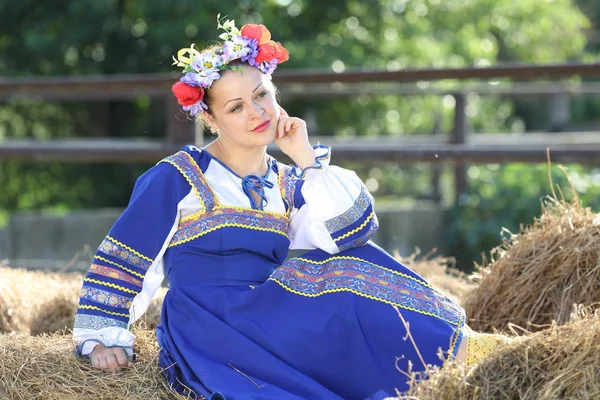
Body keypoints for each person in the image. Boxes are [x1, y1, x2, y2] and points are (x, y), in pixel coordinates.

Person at [72, 16, 509, 400]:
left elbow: (354, 231)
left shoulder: (289, 180)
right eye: (236, 107)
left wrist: (304, 157)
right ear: (211, 119)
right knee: (340, 292)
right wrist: (102, 338)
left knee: (348, 266)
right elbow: (127, 260)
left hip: (270, 311)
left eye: (262, 95)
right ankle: (478, 357)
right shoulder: (179, 176)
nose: (256, 112)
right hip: (211, 326)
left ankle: (475, 357)